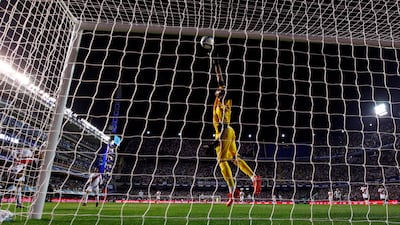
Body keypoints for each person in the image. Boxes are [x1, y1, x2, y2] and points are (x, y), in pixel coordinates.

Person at [211, 56, 261, 207]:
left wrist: (217, 140)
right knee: (234, 158)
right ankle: (253, 177)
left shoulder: (224, 101)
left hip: (225, 131)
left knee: (221, 161)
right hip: (230, 131)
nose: (218, 91)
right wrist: (216, 64)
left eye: (220, 91)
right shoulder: (219, 101)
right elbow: (219, 79)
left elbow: (223, 86)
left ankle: (233, 191)